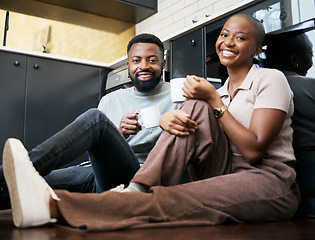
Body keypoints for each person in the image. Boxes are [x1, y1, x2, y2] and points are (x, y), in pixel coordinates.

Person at [3, 14, 300, 230]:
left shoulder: (266, 79)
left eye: (241, 37)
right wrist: (168, 120)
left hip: (255, 174)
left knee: (169, 193)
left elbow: (252, 151)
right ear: (128, 64)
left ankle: (61, 203)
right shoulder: (214, 92)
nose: (228, 41)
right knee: (23, 179)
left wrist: (198, 107)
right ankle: (18, 175)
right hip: (201, 170)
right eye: (224, 34)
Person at [0, 33, 190, 209]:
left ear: (163, 63)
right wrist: (120, 133)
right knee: (23, 183)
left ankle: (22, 166)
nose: (144, 66)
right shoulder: (111, 99)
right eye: (136, 60)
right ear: (128, 65)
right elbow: (95, 156)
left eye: (152, 60)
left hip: (139, 178)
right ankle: (15, 172)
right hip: (96, 175)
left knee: (95, 118)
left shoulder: (179, 94)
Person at [266, 33, 315, 150]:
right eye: (311, 55)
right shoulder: (311, 86)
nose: (311, 62)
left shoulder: (258, 87)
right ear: (294, 59)